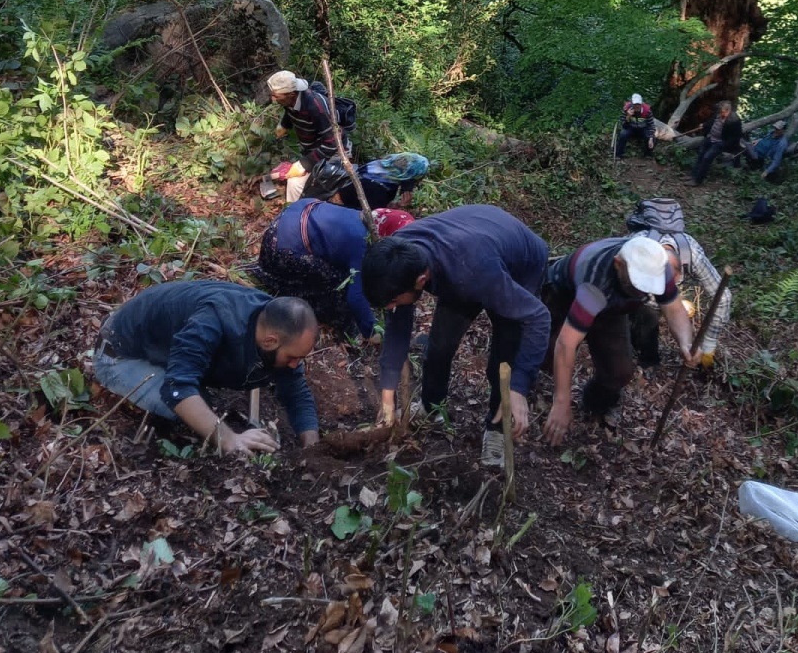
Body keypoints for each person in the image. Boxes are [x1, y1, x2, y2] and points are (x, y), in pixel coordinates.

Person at [360, 204, 550, 468]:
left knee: (502, 360)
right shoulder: (400, 254)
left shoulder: (473, 273)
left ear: (421, 280)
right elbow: (397, 331)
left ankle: (496, 430)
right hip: (470, 249)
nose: (391, 308)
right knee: (439, 347)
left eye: (393, 301)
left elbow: (538, 317)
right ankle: (432, 406)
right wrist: (388, 397)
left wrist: (519, 387)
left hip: (519, 264)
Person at [92, 283, 320, 454]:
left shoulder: (273, 321)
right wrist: (231, 441)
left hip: (162, 344)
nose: (295, 365)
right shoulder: (212, 321)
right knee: (193, 408)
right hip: (119, 354)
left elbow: (296, 390)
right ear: (270, 340)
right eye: (292, 357)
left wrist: (313, 446)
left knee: (203, 406)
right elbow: (177, 389)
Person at [542, 235, 700, 442]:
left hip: (611, 308)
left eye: (647, 286)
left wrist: (686, 343)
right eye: (637, 284)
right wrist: (561, 401)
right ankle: (519, 389)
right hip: (562, 294)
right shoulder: (596, 279)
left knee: (619, 371)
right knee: (546, 355)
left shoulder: (656, 266)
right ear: (618, 264)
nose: (642, 292)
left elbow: (674, 310)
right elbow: (566, 344)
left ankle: (594, 406)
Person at [255, 197, 409, 342]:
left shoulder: (368, 217)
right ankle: (342, 326)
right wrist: (370, 331)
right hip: (281, 244)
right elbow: (355, 298)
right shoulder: (362, 244)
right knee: (340, 283)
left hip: (292, 215)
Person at [624, 197, 733, 368]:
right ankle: (647, 360)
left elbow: (723, 297)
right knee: (646, 314)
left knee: (663, 308)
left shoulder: (692, 254)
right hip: (639, 286)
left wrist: (709, 344)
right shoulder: (637, 249)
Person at [267, 70, 344, 202]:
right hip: (312, 150)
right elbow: (290, 110)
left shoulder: (316, 107)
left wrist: (305, 164)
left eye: (276, 96)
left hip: (334, 155)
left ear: (291, 94)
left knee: (295, 184)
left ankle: (297, 215)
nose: (273, 99)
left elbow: (333, 143)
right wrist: (284, 125)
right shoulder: (289, 101)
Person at [691, 100, 743, 185]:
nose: (719, 113)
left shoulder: (734, 121)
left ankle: (697, 180)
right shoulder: (719, 114)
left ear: (727, 110)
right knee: (701, 154)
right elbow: (711, 122)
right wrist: (704, 125)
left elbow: (736, 137)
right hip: (711, 138)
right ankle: (693, 175)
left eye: (721, 111)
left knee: (707, 158)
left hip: (720, 142)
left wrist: (723, 144)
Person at [616, 94, 655, 160]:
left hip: (643, 128)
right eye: (635, 104)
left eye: (638, 104)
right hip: (630, 128)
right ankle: (619, 154)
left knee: (652, 137)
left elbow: (651, 125)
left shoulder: (647, 111)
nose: (637, 106)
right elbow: (624, 126)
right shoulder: (626, 109)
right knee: (623, 134)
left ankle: (648, 154)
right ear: (632, 103)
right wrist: (628, 116)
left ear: (641, 103)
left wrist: (651, 138)